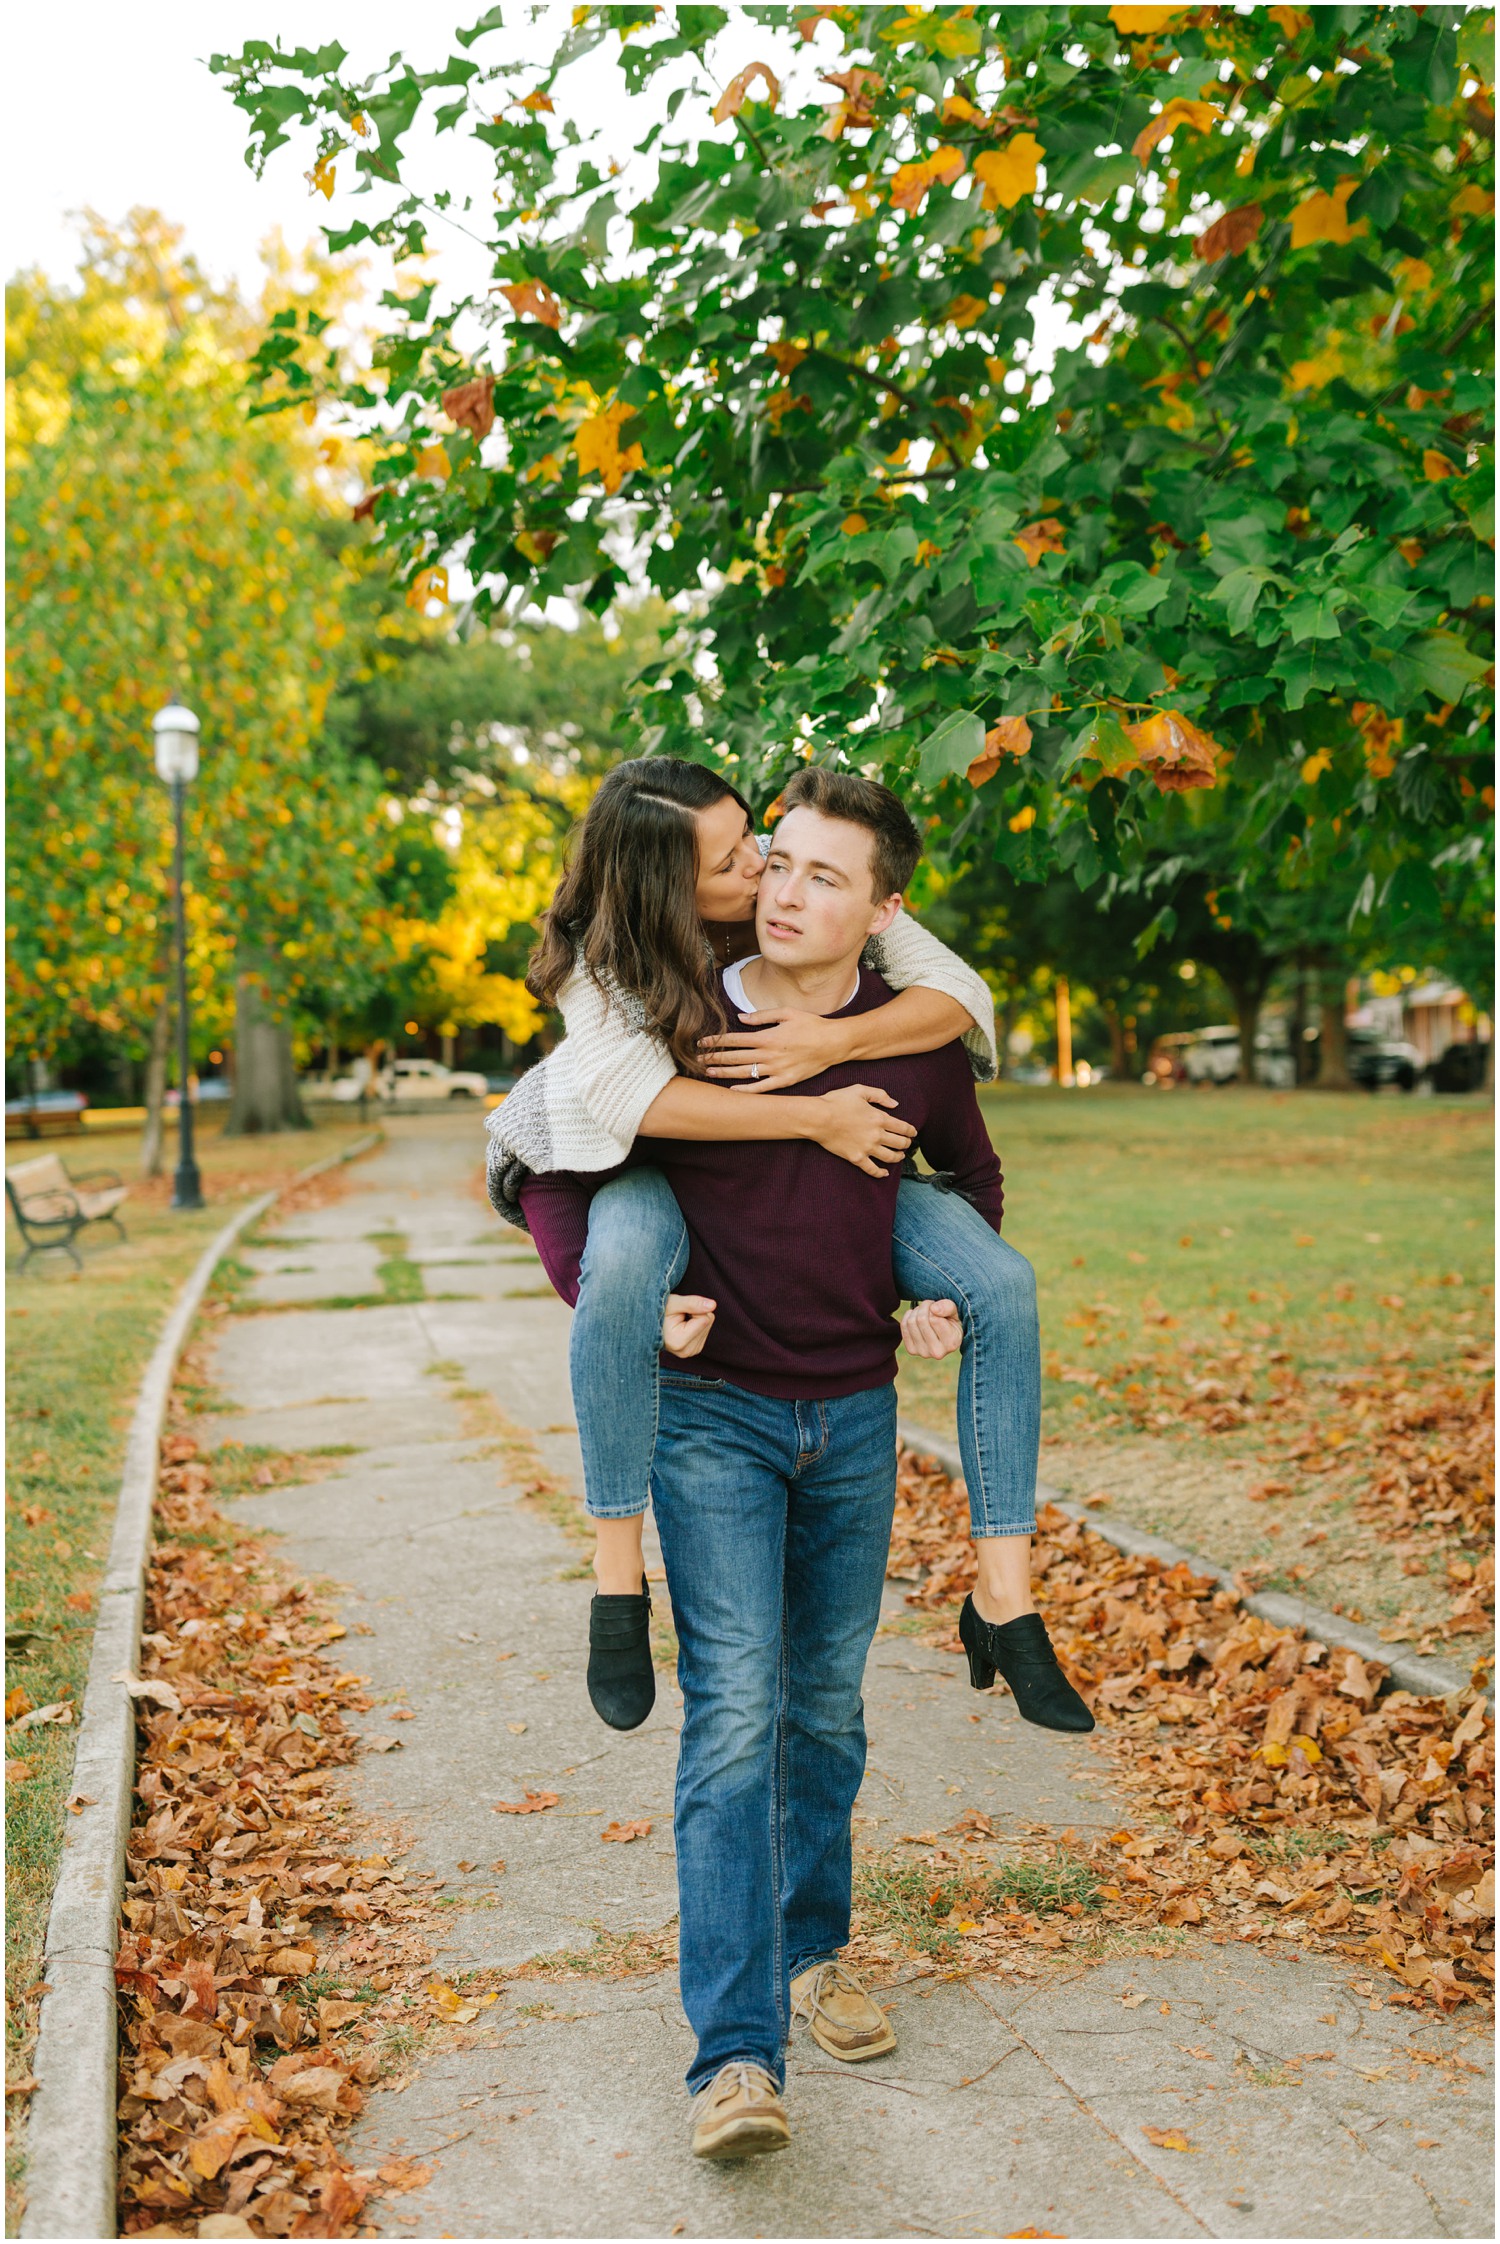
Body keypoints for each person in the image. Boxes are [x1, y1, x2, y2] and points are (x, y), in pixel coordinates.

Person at [519, 771, 1090, 2157]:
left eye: (818, 875)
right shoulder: (670, 1000)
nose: (780, 890)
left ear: (884, 911)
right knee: (732, 1717)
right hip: (712, 1418)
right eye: (766, 865)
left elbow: (968, 1175)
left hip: (850, 1417)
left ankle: (814, 1953)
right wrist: (622, 1291)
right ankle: (734, 2054)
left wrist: (931, 1297)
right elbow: (549, 1161)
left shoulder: (917, 1024)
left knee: (825, 1710)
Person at [486, 756, 1051, 1734]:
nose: (764, 867)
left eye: (757, 833)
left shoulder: (787, 898)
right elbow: (575, 1139)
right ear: (673, 890)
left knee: (1002, 1283)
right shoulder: (607, 975)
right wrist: (815, 1120)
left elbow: (958, 991)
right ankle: (616, 1576)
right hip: (614, 1166)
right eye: (736, 859)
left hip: (839, 1299)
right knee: (619, 1266)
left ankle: (1005, 1593)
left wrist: (830, 1045)